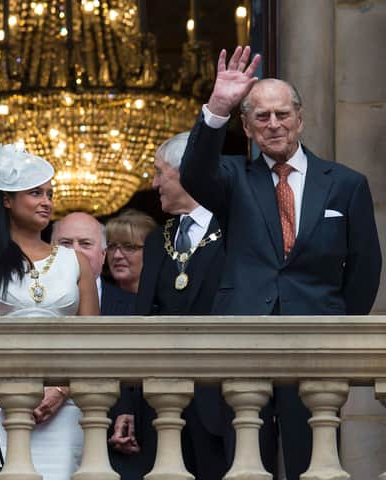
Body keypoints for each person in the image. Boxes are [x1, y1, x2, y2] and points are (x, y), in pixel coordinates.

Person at [179, 46, 382, 480]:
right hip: (243, 342)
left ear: (299, 119)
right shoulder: (233, 179)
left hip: (315, 344)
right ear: (248, 129)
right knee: (247, 464)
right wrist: (217, 107)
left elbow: (365, 269)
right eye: (262, 117)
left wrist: (337, 323)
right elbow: (194, 174)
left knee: (315, 463)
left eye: (282, 114)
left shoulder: (345, 184)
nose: (274, 124)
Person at [108, 132, 230, 480]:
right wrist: (130, 404)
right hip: (160, 408)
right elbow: (142, 326)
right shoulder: (157, 244)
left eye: (161, 172)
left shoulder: (235, 230)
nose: (154, 182)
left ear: (187, 173)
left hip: (221, 404)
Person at [0, 142, 98, 480]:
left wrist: (60, 389)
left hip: (64, 403)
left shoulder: (75, 261)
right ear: (7, 199)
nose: (46, 202)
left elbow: (93, 341)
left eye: (49, 194)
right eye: (35, 193)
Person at [52, 212, 134, 315]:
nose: (75, 251)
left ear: (103, 254)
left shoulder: (134, 306)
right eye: (65, 243)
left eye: (85, 244)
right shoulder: (32, 299)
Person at [104, 209, 157, 295]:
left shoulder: (167, 301)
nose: (117, 255)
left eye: (129, 247)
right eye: (111, 246)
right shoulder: (98, 299)